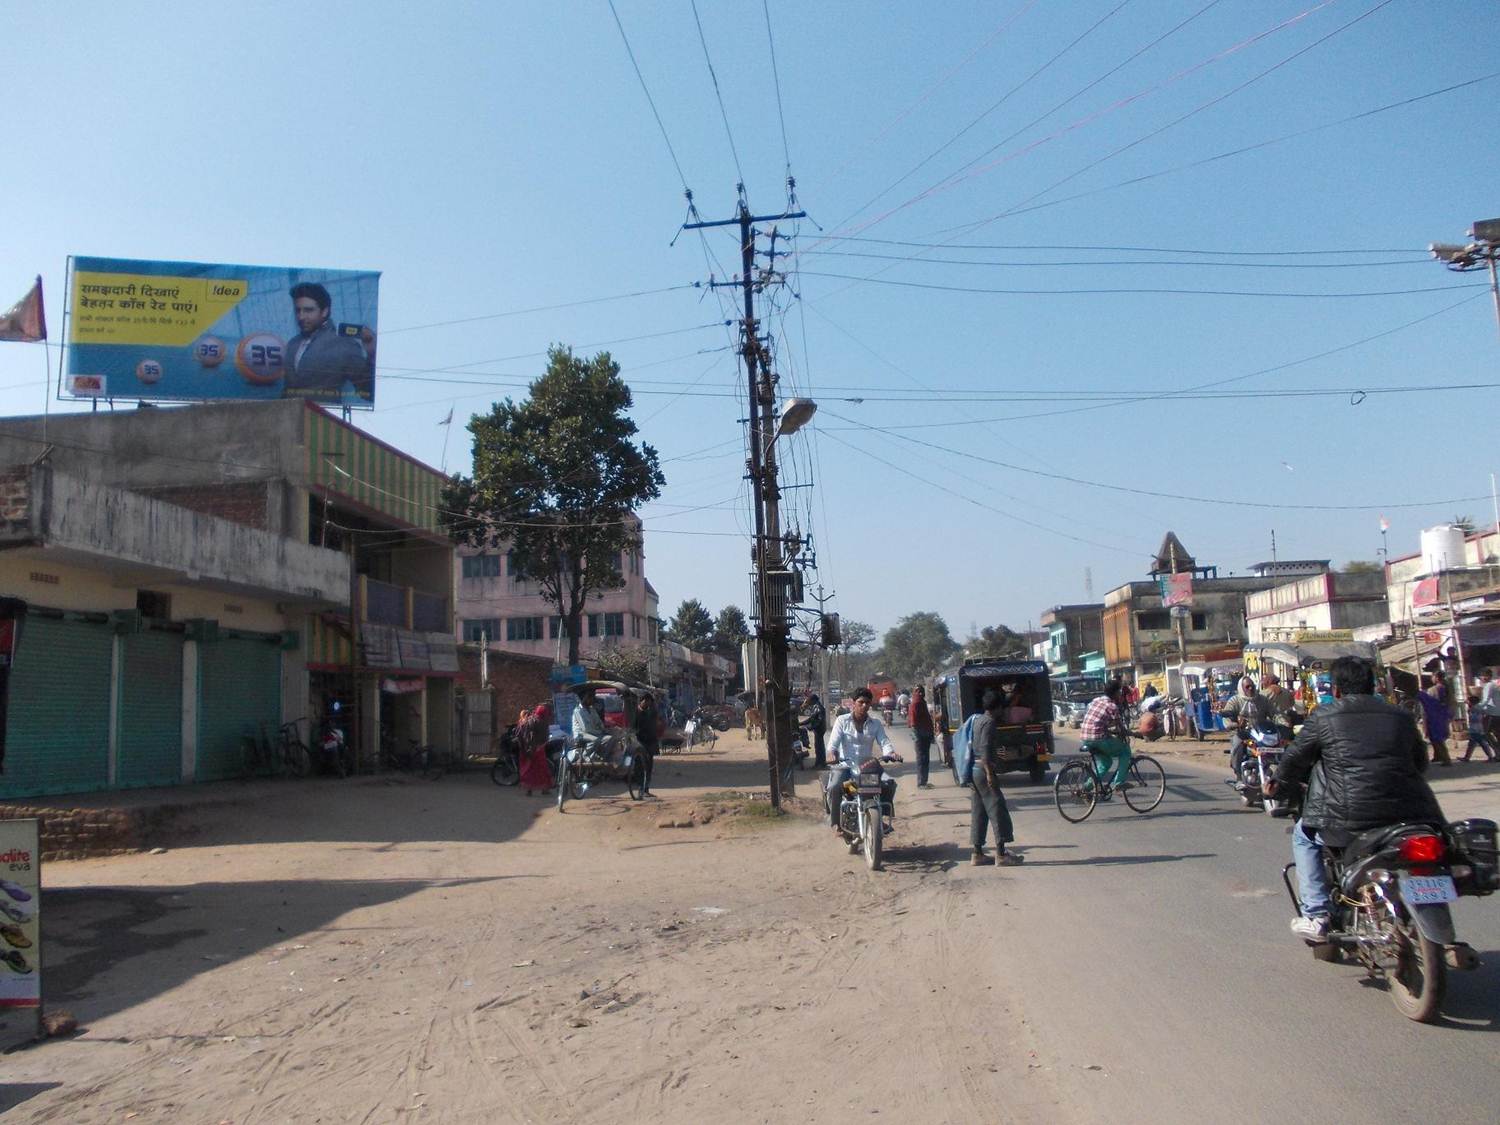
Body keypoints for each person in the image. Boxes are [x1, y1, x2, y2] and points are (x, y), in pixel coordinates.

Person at [1269, 656, 1446, 940]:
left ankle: (1316, 913)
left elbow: (1294, 759)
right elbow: (1420, 762)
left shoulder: (1325, 716)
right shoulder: (1400, 715)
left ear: (1336, 689)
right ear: (1374, 685)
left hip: (1349, 819)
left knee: (1303, 835)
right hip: (1413, 815)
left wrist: (1277, 785)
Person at [825, 688, 902, 827]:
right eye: (861, 702)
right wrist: (832, 754)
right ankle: (836, 824)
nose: (864, 706)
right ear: (853, 703)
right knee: (835, 787)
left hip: (866, 770)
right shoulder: (842, 721)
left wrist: (891, 753)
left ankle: (879, 818)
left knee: (889, 784)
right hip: (846, 770)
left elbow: (884, 741)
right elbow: (833, 744)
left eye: (867, 703)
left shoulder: (876, 724)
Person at [283, 282, 371, 400]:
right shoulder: (292, 343)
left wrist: (372, 354)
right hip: (288, 415)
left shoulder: (344, 344)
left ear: (324, 311)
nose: (301, 317)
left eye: (308, 310)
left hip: (321, 415)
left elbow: (368, 391)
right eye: (298, 310)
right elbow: (287, 390)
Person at [969, 690, 1023, 866]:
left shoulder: (977, 720)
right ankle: (1001, 854)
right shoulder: (990, 723)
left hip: (974, 771)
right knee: (997, 810)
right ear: (998, 707)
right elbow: (985, 749)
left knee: (979, 812)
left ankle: (977, 853)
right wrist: (990, 773)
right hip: (983, 771)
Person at [1080, 680, 1131, 791]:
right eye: (1119, 691)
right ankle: (1118, 783)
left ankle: (1086, 787)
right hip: (1098, 739)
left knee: (1105, 763)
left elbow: (1097, 721)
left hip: (1084, 737)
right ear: (1116, 692)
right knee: (1125, 751)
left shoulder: (1096, 700)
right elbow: (1120, 728)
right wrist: (1129, 734)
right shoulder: (1112, 706)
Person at [1220, 676, 1273, 782]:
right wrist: (1234, 724)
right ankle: (1238, 775)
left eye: (1252, 686)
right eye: (1247, 687)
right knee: (1237, 745)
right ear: (1241, 688)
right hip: (1241, 733)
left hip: (1259, 733)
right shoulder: (1234, 700)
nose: (1250, 689)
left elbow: (1274, 713)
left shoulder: (1262, 700)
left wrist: (1282, 723)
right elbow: (1226, 717)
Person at [570, 688, 618, 764]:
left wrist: (606, 730)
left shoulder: (592, 709)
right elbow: (586, 729)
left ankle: (602, 758)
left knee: (611, 738)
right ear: (584, 698)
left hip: (593, 733)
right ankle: (585, 757)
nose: (593, 699)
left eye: (593, 696)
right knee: (596, 740)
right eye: (590, 697)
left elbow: (599, 722)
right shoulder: (578, 711)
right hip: (581, 734)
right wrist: (600, 732)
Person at [517, 703, 554, 795]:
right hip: (539, 749)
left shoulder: (528, 720)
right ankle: (545, 789)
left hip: (527, 749)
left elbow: (520, 732)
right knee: (542, 769)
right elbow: (545, 737)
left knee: (529, 769)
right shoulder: (543, 722)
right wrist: (541, 745)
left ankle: (529, 790)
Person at [1418, 672, 1453, 766]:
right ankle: (1438, 755)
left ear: (1437, 678)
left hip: (1434, 716)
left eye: (1432, 677)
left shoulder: (1433, 690)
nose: (1431, 679)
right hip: (1443, 715)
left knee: (1437, 738)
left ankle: (1446, 758)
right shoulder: (1447, 688)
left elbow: (1428, 705)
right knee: (1438, 737)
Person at [908, 685, 935, 788]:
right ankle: (921, 783)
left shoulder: (921, 702)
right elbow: (913, 722)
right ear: (914, 692)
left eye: (921, 691)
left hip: (925, 733)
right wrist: (916, 738)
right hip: (919, 733)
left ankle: (924, 781)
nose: (920, 693)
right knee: (921, 758)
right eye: (918, 691)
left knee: (925, 758)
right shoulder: (915, 703)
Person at [634, 694, 661, 796]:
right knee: (640, 767)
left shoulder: (651, 712)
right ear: (642, 701)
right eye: (647, 701)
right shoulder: (635, 712)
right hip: (639, 742)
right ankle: (641, 789)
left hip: (650, 742)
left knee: (649, 766)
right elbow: (633, 727)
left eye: (650, 702)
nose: (649, 704)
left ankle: (645, 789)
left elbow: (656, 723)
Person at [800, 692, 828, 768]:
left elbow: (819, 721)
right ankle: (819, 763)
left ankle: (821, 763)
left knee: (819, 747)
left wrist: (809, 727)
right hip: (818, 730)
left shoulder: (818, 707)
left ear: (813, 700)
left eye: (810, 700)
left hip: (819, 730)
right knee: (818, 747)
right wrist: (802, 723)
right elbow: (811, 718)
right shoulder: (816, 707)